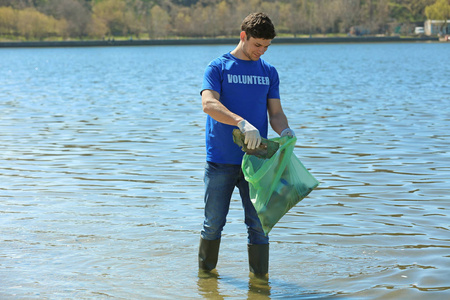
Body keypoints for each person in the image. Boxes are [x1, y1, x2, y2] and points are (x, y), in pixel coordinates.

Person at [198, 12, 295, 276]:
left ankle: (260, 285)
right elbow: (209, 104)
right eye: (257, 45)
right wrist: (241, 122)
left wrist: (284, 129)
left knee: (259, 226)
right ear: (244, 36)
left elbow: (274, 113)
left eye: (266, 46)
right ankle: (206, 274)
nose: (261, 52)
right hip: (220, 161)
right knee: (213, 224)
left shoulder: (268, 72)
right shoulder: (218, 67)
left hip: (256, 163)